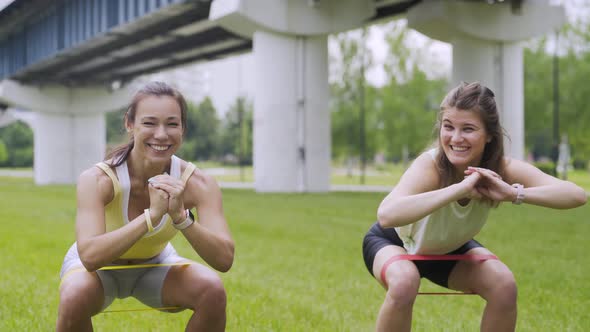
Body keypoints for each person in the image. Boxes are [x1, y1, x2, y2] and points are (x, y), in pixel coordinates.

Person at [362, 82, 587, 332]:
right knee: (404, 283)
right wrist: (459, 189)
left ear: (489, 134)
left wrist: (513, 193)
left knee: (504, 285)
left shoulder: (501, 167)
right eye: (448, 127)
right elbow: (386, 215)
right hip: (394, 242)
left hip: (449, 248)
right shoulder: (430, 166)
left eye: (467, 129)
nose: (456, 138)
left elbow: (576, 195)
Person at [56, 81, 234, 331]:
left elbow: (224, 259)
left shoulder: (200, 184)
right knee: (74, 297)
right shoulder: (98, 180)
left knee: (212, 290)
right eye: (149, 123)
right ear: (130, 124)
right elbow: (90, 257)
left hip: (155, 264)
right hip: (100, 271)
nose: (161, 134)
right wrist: (151, 217)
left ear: (183, 128)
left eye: (172, 124)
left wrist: (181, 217)